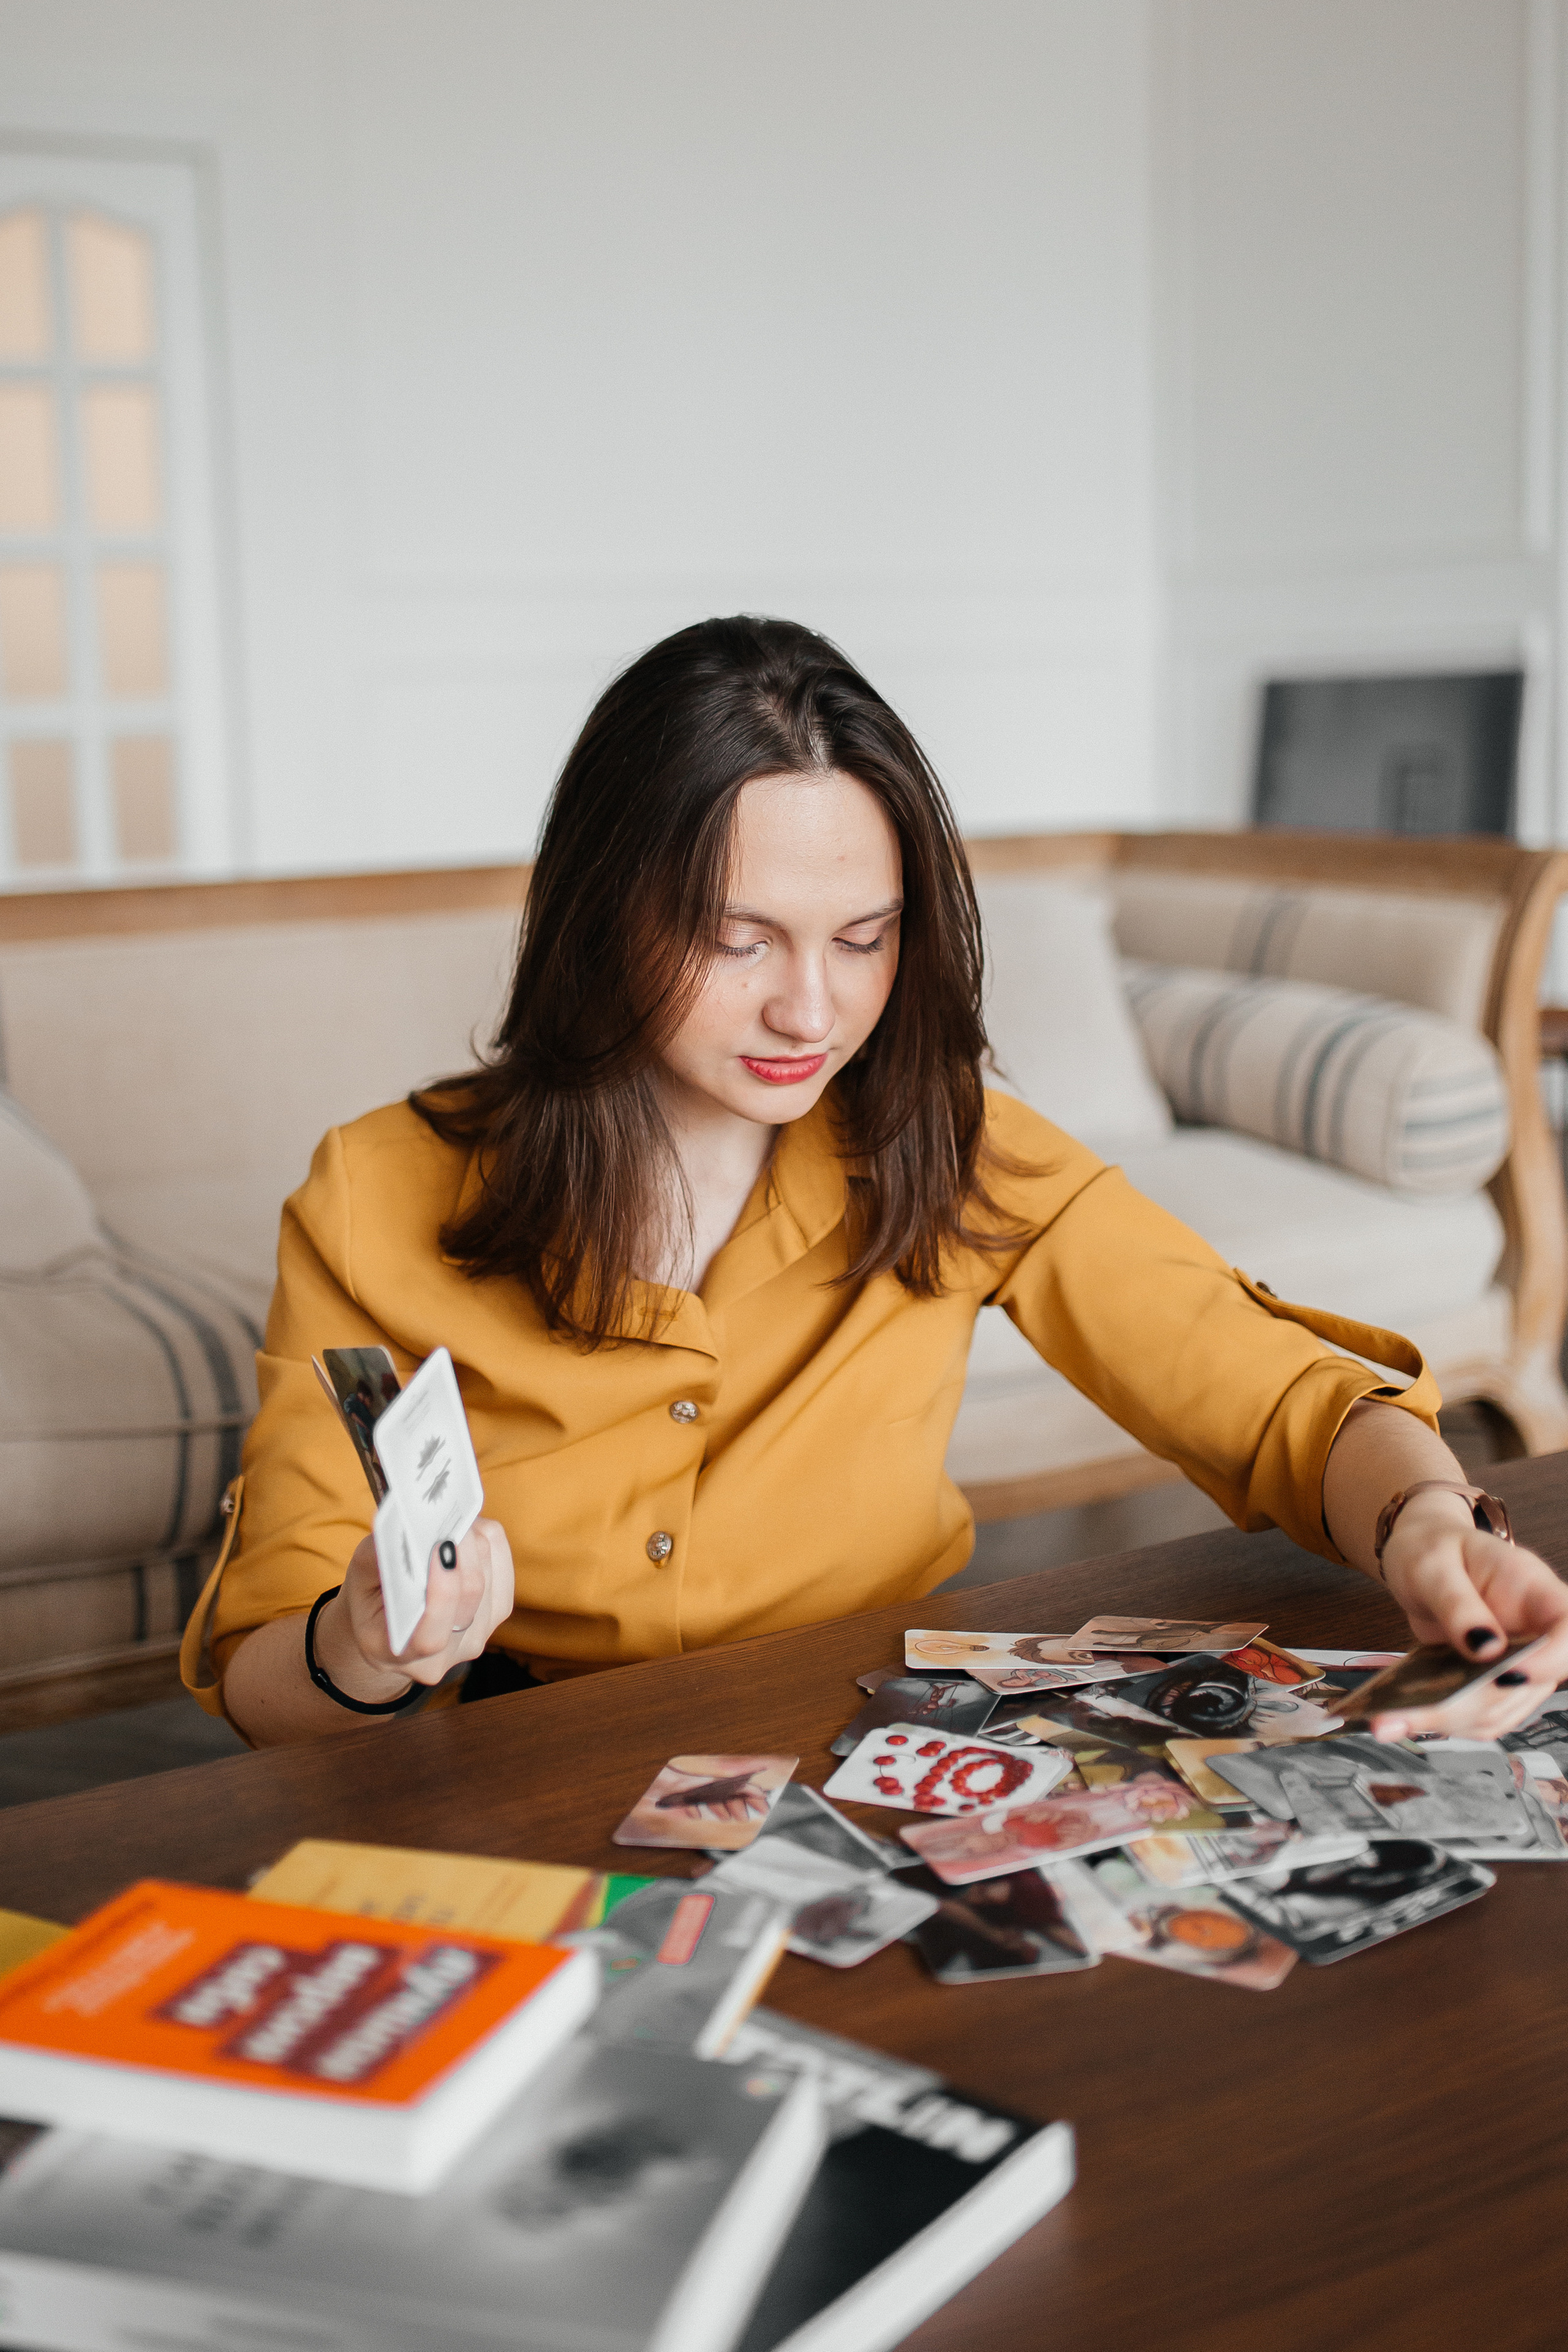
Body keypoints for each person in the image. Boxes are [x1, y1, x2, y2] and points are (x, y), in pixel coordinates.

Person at [193, 616, 1568, 1747]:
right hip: (520, 1767)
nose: (812, 1009)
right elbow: (268, 1673)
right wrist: (364, 1646)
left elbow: (1269, 1387)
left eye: (862, 938)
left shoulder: (948, 1142)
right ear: (603, 917)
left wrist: (1427, 1522)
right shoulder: (375, 1191)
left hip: (864, 1745)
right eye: (738, 940)